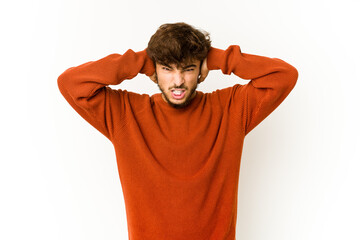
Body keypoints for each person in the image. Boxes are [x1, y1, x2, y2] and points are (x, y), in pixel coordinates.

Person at [57, 22, 298, 240]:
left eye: (188, 69)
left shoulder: (230, 110)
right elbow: (71, 83)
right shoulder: (126, 114)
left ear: (202, 71)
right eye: (167, 69)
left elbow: (284, 76)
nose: (178, 81)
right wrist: (140, 61)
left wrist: (217, 58)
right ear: (154, 72)